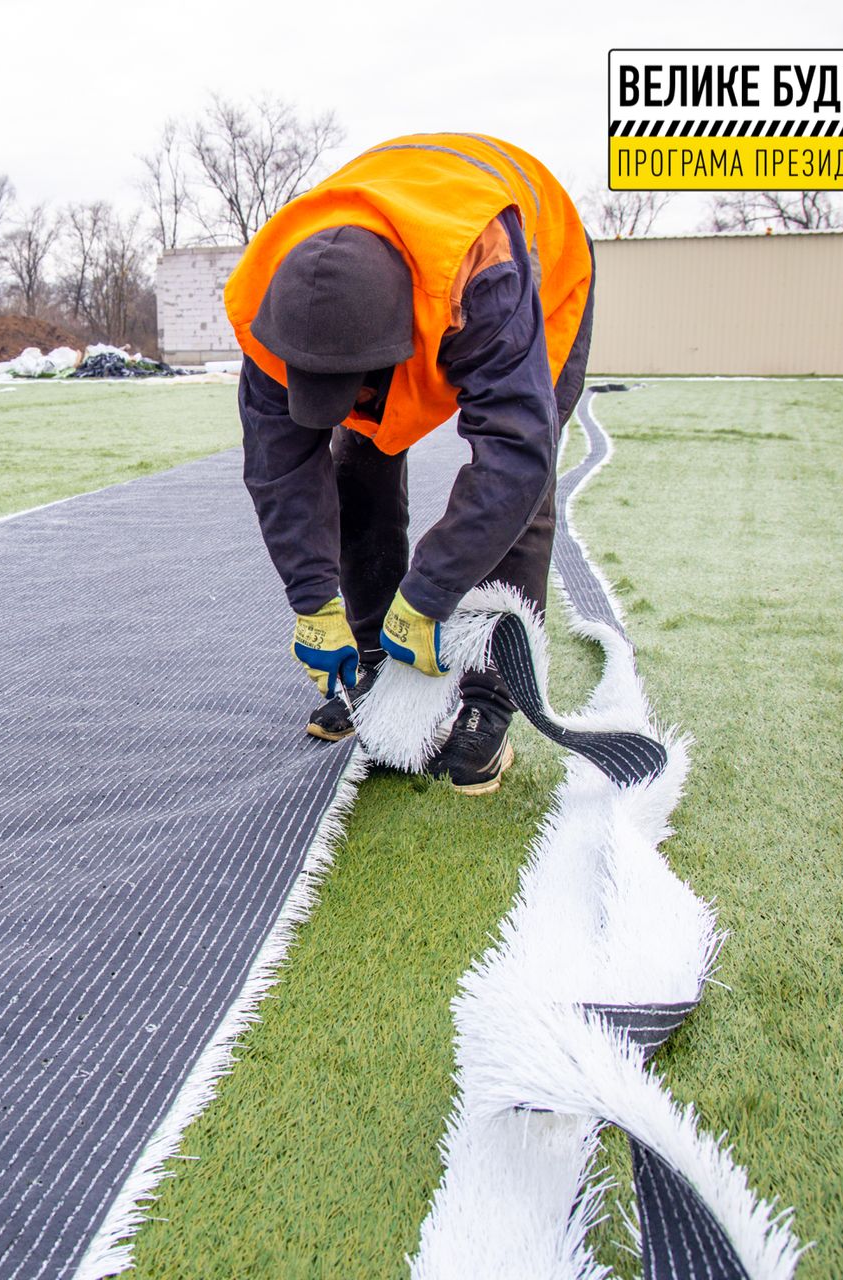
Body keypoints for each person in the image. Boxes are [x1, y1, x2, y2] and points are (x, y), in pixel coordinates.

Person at [225, 133, 595, 795]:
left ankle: (487, 701)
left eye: (357, 388)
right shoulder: (269, 308)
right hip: (399, 287)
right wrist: (313, 603)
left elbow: (514, 453)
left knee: (521, 500)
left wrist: (429, 593)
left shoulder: (485, 275)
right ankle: (374, 671)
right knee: (357, 459)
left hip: (539, 267)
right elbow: (281, 470)